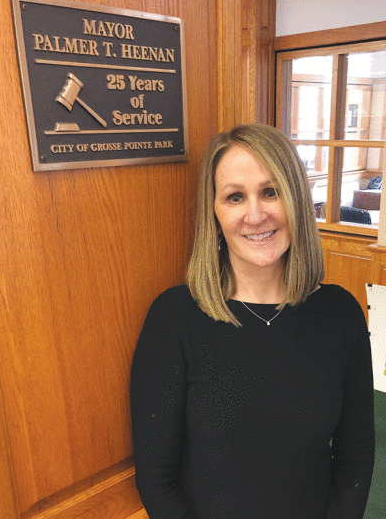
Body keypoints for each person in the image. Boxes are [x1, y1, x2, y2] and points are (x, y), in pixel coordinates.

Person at [130, 123, 375, 519]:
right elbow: (156, 477)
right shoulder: (174, 317)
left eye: (270, 191)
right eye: (234, 197)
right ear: (214, 212)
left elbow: (356, 457)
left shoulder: (340, 313)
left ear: (296, 198)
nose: (255, 214)